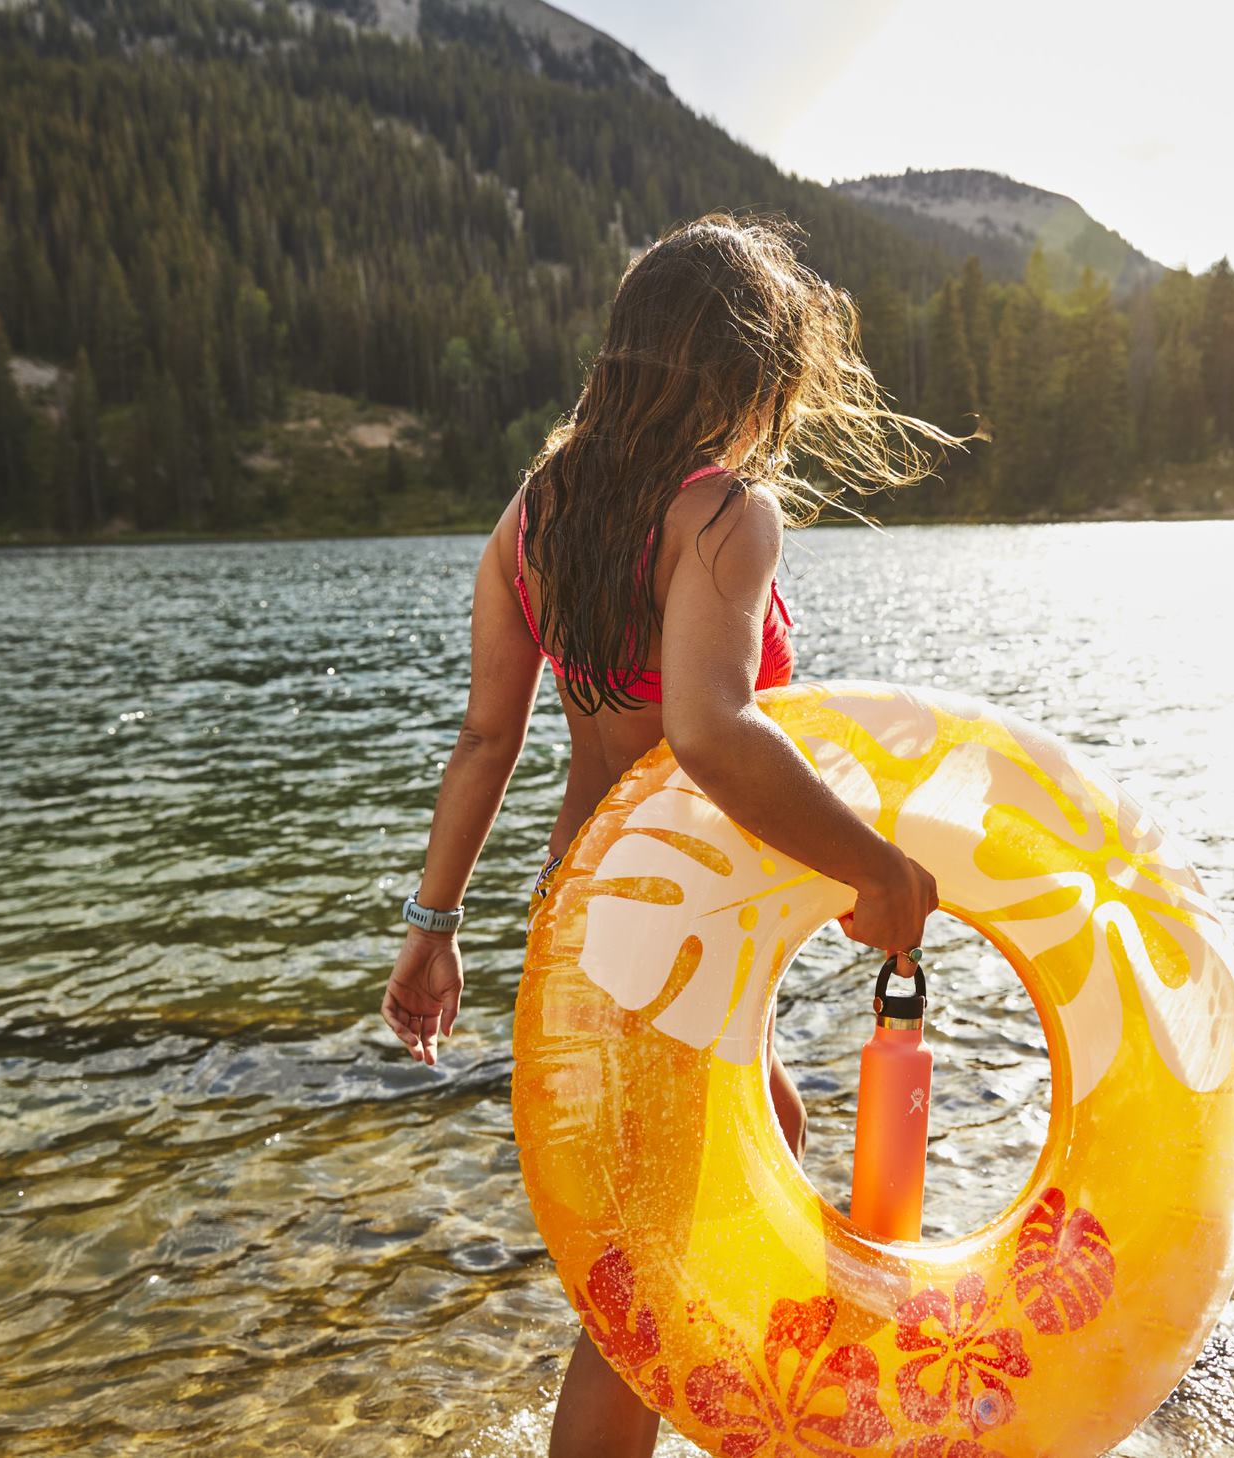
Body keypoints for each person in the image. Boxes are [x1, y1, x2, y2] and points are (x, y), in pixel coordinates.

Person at [378, 211, 974, 1457]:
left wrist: (434, 932)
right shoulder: (721, 516)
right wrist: (875, 865)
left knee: (762, 1152)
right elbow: (707, 730)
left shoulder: (532, 518)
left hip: (586, 921)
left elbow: (487, 742)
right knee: (650, 1278)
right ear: (746, 378)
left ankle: (750, 1413)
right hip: (674, 926)